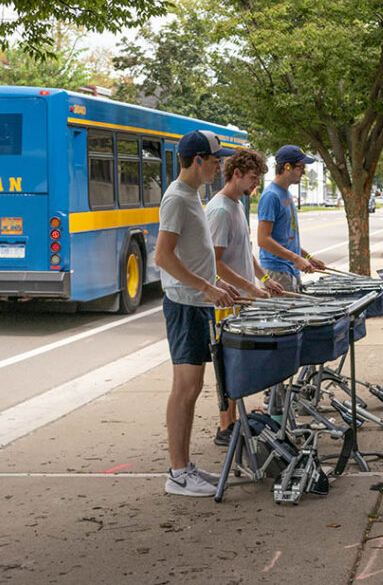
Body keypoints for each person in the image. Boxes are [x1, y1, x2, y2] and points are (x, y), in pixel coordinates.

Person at [155, 130, 239, 497]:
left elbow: (199, 256)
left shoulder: (193, 196)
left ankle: (185, 466)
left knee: (194, 387)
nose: (220, 166)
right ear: (198, 159)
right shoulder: (176, 199)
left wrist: (218, 286)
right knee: (185, 389)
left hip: (200, 303)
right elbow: (163, 256)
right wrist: (206, 287)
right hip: (185, 305)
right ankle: (176, 474)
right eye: (216, 159)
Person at [206, 147, 285, 446]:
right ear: (236, 173)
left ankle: (235, 421)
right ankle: (226, 428)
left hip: (241, 297)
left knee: (238, 364)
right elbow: (214, 262)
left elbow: (244, 251)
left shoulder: (237, 205)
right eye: (253, 178)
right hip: (226, 301)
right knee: (227, 366)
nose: (256, 185)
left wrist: (262, 278)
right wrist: (249, 288)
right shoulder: (220, 210)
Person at [257, 145, 327, 292]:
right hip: (277, 272)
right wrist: (296, 259)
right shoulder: (271, 196)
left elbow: (286, 237)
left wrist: (308, 257)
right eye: (301, 167)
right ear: (287, 167)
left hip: (290, 270)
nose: (303, 172)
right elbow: (263, 240)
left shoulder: (286, 194)